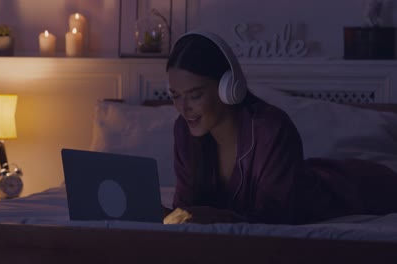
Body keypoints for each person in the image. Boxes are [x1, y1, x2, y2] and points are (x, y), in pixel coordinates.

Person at [162, 30, 397, 225]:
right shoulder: (184, 132)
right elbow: (185, 208)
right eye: (175, 95)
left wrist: (217, 217)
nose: (183, 108)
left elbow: (275, 218)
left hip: (359, 188)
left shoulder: (270, 129)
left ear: (228, 88)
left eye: (194, 95)